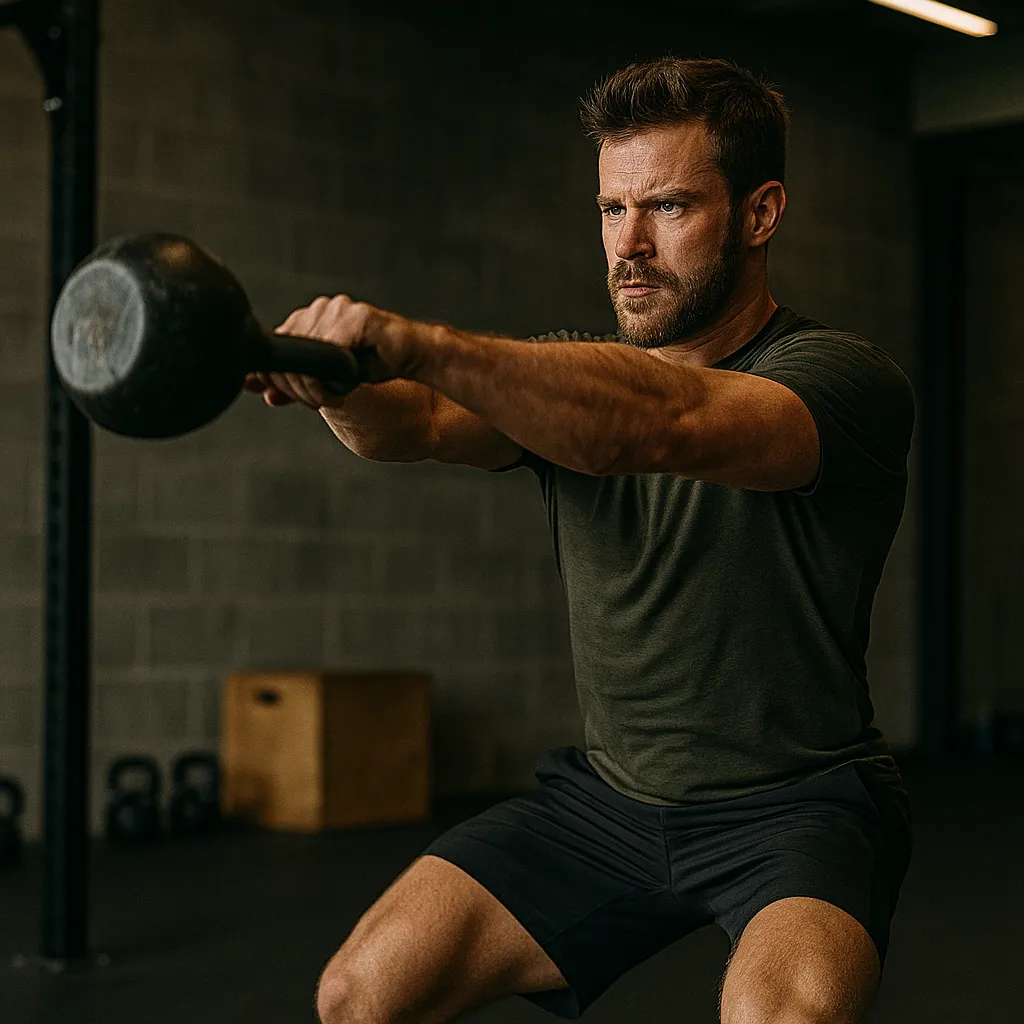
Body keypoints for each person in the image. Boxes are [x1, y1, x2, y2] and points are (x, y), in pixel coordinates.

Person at [246, 56, 915, 1024]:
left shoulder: (839, 379)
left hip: (796, 806)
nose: (630, 245)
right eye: (611, 210)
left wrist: (421, 341)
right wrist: (331, 383)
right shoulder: (556, 381)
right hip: (607, 803)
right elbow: (414, 425)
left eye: (669, 208)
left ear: (760, 212)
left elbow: (656, 426)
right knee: (359, 995)